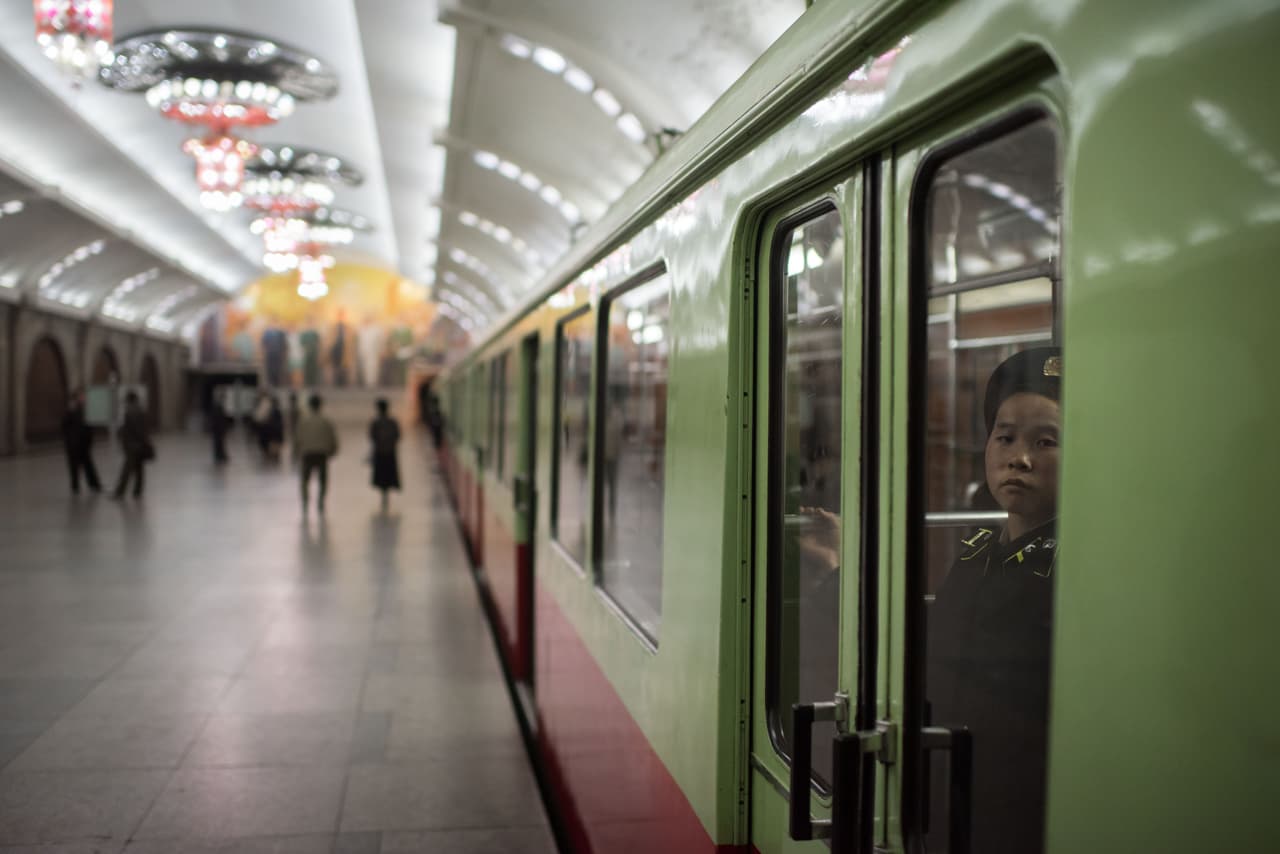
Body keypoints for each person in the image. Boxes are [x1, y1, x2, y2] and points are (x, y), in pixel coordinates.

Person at [925, 346, 1062, 854]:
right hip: (952, 795)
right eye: (1004, 437)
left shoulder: (1077, 569)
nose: (1017, 458)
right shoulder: (981, 546)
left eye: (1046, 441)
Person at [295, 393, 338, 514]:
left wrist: (296, 452)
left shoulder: (303, 421)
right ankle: (320, 501)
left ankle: (305, 501)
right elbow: (332, 438)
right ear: (320, 405)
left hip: (307, 453)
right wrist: (332, 451)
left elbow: (298, 437)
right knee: (323, 480)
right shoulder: (326, 421)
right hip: (321, 454)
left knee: (305, 480)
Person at [111, 391, 152, 499]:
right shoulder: (141, 411)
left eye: (126, 401)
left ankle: (119, 492)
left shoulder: (129, 412)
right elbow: (143, 429)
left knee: (126, 470)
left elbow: (133, 429)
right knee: (139, 469)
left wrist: (122, 432)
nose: (125, 404)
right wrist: (145, 442)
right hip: (139, 445)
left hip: (132, 446)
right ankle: (137, 491)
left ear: (130, 400)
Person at [61, 389, 101, 494]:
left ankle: (94, 484)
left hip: (84, 444)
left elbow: (89, 426)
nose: (84, 398)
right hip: (74, 445)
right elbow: (64, 427)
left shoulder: (84, 410)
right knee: (74, 466)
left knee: (88, 466)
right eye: (81, 396)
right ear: (76, 398)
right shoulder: (71, 411)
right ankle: (75, 486)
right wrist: (69, 441)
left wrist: (90, 441)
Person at [368, 398, 401, 511]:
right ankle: (386, 492)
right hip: (390, 451)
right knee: (388, 473)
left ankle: (383, 491)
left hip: (380, 452)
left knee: (381, 473)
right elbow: (397, 435)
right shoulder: (392, 422)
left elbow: (371, 436)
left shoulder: (376, 422)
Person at [210, 388, 232, 465]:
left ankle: (220, 455)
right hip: (218, 429)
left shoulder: (219, 406)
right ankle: (220, 456)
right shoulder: (218, 406)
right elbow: (218, 419)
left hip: (219, 428)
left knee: (220, 442)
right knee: (219, 442)